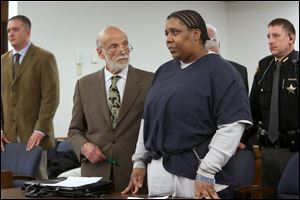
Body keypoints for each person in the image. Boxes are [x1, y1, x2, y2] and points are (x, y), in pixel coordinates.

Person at [122, 10, 252, 199]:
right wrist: (139, 162)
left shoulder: (223, 72)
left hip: (199, 176)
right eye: (166, 34)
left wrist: (207, 170)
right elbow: (148, 121)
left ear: (196, 34)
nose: (168, 39)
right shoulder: (164, 71)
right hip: (160, 175)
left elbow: (232, 126)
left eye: (175, 32)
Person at [68, 26, 153, 191]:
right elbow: (74, 131)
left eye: (125, 44)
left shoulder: (150, 81)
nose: (123, 50)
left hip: (135, 175)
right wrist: (84, 147)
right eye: (114, 46)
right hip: (94, 176)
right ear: (100, 53)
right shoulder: (83, 85)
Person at [241, 18, 299, 193]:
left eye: (276, 36)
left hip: (294, 151)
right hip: (268, 152)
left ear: (291, 38)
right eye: (268, 36)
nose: (270, 41)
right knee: (269, 194)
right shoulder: (264, 66)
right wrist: (241, 139)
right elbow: (253, 109)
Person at [1, 15, 59, 179]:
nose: (11, 34)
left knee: (37, 186)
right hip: (8, 139)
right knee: (8, 185)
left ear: (27, 32)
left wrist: (40, 129)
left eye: (15, 29)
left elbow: (51, 97)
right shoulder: (2, 61)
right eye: (9, 31)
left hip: (35, 138)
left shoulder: (44, 58)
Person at [205, 24, 249, 93]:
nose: (207, 48)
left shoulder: (239, 70)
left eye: (211, 43)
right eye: (204, 43)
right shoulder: (188, 73)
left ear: (219, 45)